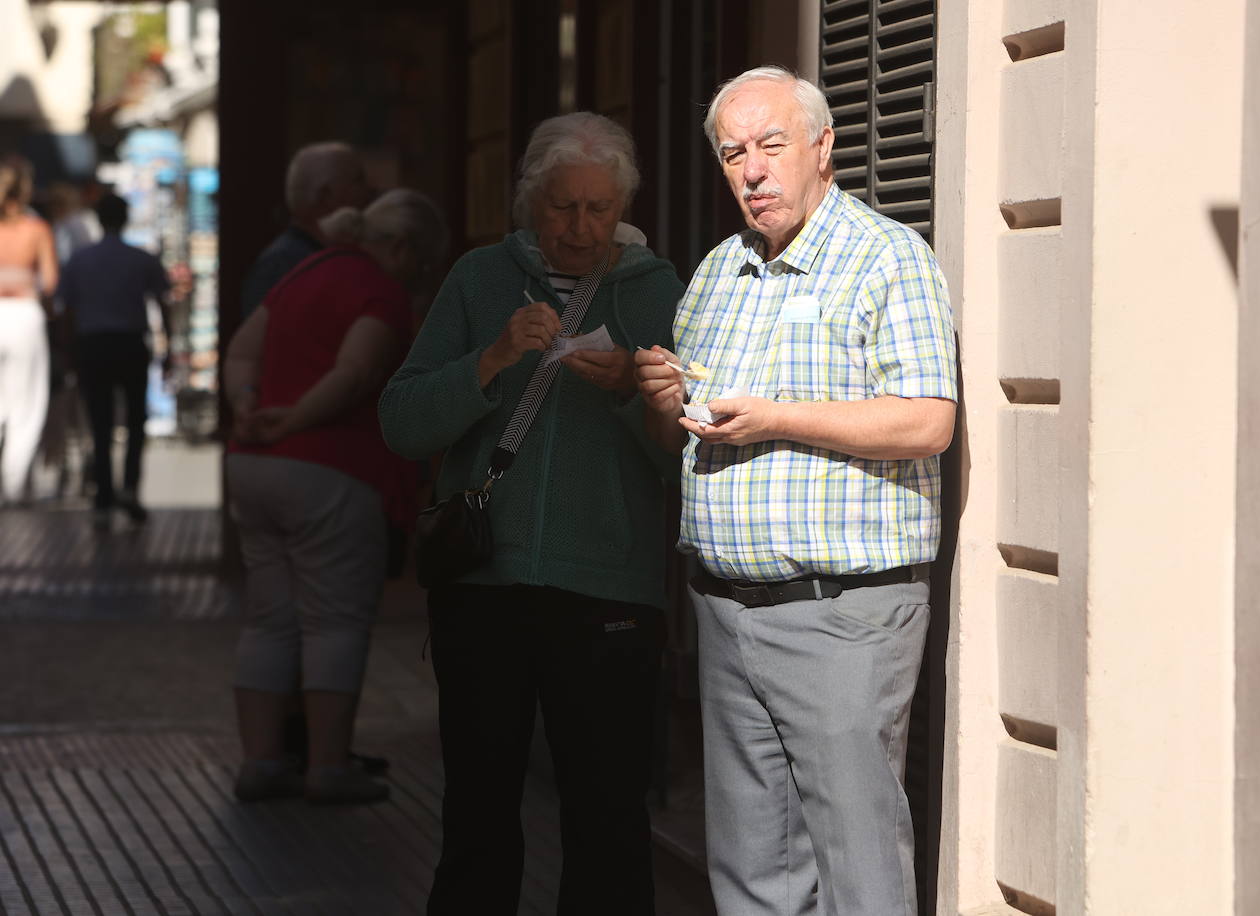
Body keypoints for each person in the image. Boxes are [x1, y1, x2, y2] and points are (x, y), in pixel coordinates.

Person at [635, 66, 958, 915]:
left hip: (842, 615)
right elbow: (685, 432)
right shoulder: (715, 273)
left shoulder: (886, 257)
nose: (752, 171)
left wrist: (777, 417)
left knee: (857, 864)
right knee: (750, 872)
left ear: (823, 147)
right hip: (726, 608)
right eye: (733, 152)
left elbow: (928, 420)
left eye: (771, 146)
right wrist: (666, 404)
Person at [378, 112, 684, 915]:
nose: (580, 228)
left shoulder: (659, 293)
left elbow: (681, 459)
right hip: (486, 585)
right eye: (561, 207)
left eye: (598, 209)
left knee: (608, 823)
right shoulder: (480, 281)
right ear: (529, 203)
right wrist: (491, 359)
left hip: (610, 593)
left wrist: (630, 389)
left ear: (622, 207)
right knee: (477, 819)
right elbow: (401, 422)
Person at [223, 188, 448, 805]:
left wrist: (250, 408)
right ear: (400, 247)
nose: (418, 278)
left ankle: (261, 761)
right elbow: (354, 373)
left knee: (269, 618)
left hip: (254, 465)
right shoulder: (377, 290)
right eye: (421, 264)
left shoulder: (306, 270)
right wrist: (295, 420)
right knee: (334, 622)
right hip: (331, 470)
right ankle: (327, 766)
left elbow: (243, 347)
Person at [56, 194, 171, 528]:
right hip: (131, 344)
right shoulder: (141, 259)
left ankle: (104, 496)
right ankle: (130, 489)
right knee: (136, 421)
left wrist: (69, 351)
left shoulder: (81, 260)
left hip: (94, 346)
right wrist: (168, 350)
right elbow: (162, 304)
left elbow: (67, 309)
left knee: (100, 422)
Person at [241, 141, 372, 318]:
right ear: (325, 196)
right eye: (358, 180)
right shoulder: (282, 265)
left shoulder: (317, 256)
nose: (369, 190)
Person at [0, 159, 58, 505]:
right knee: (25, 406)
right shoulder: (36, 229)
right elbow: (50, 282)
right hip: (23, 316)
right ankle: (11, 485)